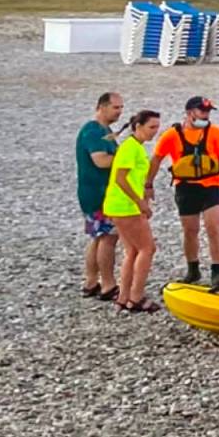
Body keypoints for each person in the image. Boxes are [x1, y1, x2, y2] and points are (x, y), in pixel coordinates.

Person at [152, 96, 219, 286]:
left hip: (212, 185)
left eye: (208, 111)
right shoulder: (171, 135)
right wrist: (148, 184)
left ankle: (217, 271)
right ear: (190, 113)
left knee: (213, 227)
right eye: (202, 111)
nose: (206, 115)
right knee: (190, 230)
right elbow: (156, 159)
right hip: (185, 187)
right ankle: (193, 269)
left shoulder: (215, 132)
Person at [104, 109, 162, 313]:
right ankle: (136, 296)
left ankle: (124, 297)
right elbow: (120, 178)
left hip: (118, 205)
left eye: (157, 127)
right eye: (151, 127)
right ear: (138, 126)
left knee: (132, 250)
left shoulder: (133, 146)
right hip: (126, 207)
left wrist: (145, 192)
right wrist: (140, 202)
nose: (155, 132)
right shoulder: (131, 148)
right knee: (147, 249)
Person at [75, 91, 123, 300]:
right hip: (99, 194)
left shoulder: (105, 130)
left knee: (97, 237)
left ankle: (91, 281)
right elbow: (101, 161)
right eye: (116, 107)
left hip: (93, 193)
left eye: (121, 108)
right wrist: (125, 158)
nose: (120, 112)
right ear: (102, 107)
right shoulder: (93, 132)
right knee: (108, 237)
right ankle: (108, 284)